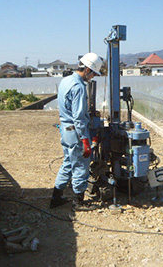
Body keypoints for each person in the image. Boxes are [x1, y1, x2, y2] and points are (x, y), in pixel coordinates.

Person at [50, 52, 102, 211]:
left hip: (66, 130)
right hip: (75, 132)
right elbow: (79, 117)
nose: (92, 77)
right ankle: (78, 202)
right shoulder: (78, 87)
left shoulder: (66, 80)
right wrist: (86, 140)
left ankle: (56, 197)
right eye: (93, 74)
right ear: (87, 70)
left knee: (68, 162)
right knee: (81, 164)